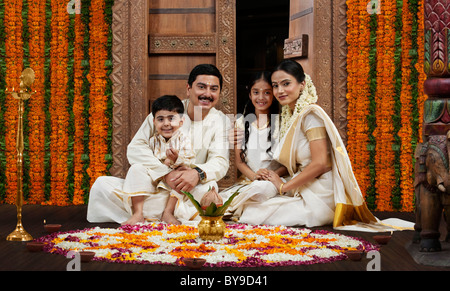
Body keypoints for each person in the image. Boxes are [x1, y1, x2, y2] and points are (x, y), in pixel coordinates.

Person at [238, 59, 378, 228]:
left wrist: (283, 186)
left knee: (252, 214)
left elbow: (321, 164)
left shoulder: (311, 115)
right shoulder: (291, 116)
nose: (279, 90)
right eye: (275, 85)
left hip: (319, 195)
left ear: (302, 84)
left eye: (286, 83)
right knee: (250, 205)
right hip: (301, 187)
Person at [87, 64, 231, 225]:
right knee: (103, 184)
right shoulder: (167, 110)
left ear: (219, 93)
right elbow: (136, 148)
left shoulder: (222, 121)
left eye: (213, 89)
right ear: (189, 89)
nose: (207, 94)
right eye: (202, 87)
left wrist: (197, 174)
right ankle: (154, 213)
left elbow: (220, 161)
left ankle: (151, 213)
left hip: (185, 187)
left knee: (209, 188)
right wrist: (164, 173)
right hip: (155, 184)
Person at [118, 95, 196, 225]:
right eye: (161, 119)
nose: (166, 123)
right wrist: (162, 167)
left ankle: (168, 212)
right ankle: (138, 213)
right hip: (156, 177)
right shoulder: (152, 140)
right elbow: (147, 160)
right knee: (136, 168)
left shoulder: (184, 139)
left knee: (182, 177)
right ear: (154, 122)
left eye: (171, 119)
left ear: (181, 122)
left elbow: (189, 161)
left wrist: (176, 160)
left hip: (173, 179)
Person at [220, 71, 287, 221]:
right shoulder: (240, 123)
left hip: (273, 181)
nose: (261, 98)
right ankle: (237, 206)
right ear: (250, 95)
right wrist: (255, 176)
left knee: (262, 189)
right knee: (255, 189)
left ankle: (231, 208)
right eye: (256, 92)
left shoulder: (282, 123)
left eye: (267, 93)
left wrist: (271, 176)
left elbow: (288, 164)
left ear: (274, 95)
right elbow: (239, 162)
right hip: (249, 182)